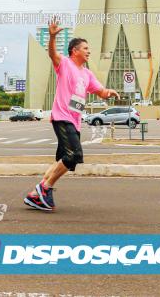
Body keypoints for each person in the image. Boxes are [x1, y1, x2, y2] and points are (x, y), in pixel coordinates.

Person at [24, 18, 119, 211]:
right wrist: (51, 37)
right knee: (74, 155)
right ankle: (45, 188)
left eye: (88, 48)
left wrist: (109, 92)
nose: (88, 51)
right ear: (74, 51)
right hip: (62, 117)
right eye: (85, 48)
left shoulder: (87, 74)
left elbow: (100, 91)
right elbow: (52, 54)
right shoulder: (65, 64)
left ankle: (35, 195)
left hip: (75, 122)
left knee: (62, 160)